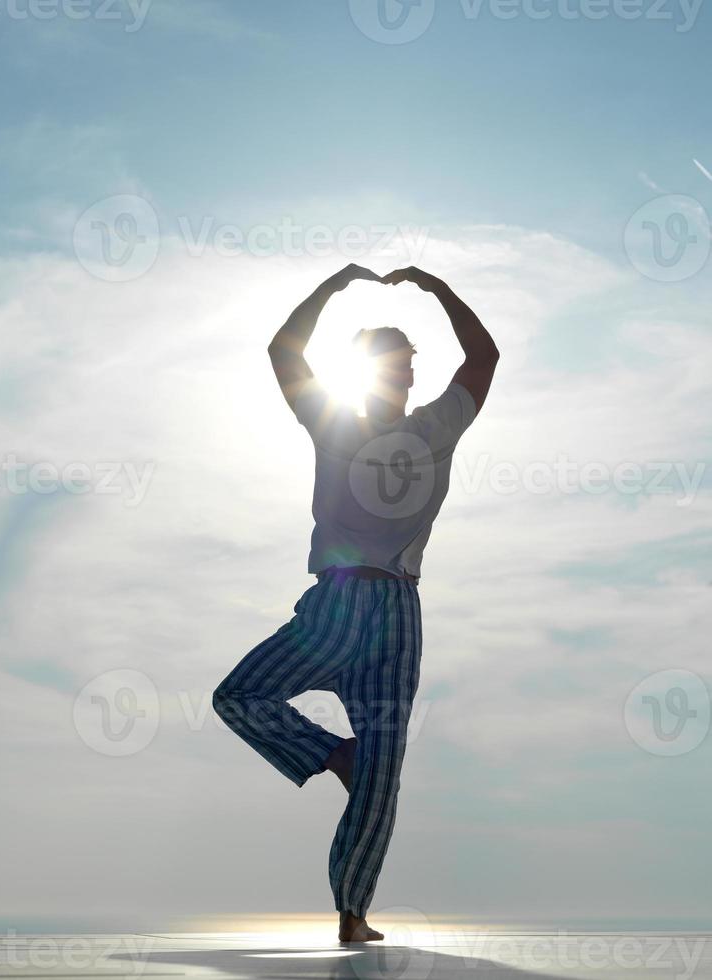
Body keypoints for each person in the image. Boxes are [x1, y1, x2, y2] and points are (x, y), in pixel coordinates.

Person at [212, 263, 500, 943]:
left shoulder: (389, 424)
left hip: (370, 607)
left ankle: (351, 911)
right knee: (276, 715)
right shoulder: (380, 424)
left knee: (368, 762)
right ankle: (336, 789)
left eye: (396, 366)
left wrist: (382, 286)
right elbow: (482, 355)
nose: (394, 376)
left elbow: (285, 351)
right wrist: (390, 286)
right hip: (364, 609)